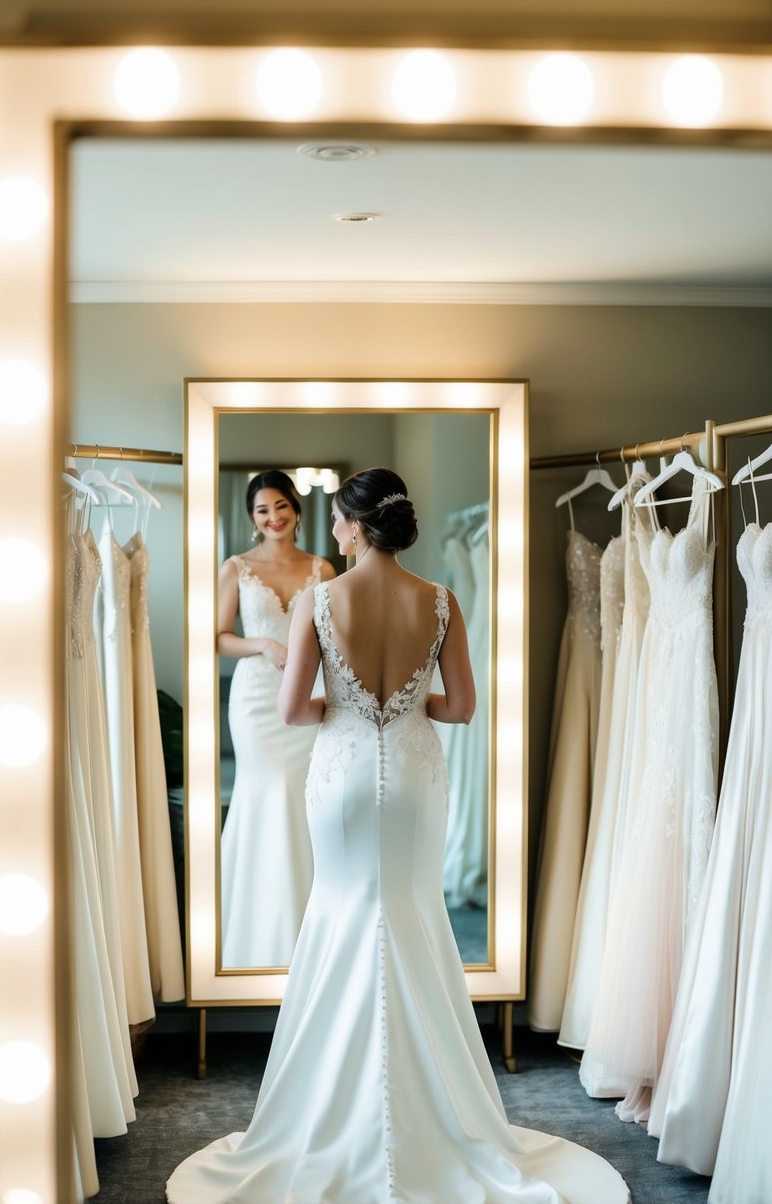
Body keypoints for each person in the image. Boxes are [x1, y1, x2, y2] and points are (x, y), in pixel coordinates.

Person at [170, 468, 629, 1204]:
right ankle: (433, 1110)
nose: (332, 532)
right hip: (415, 780)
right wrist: (401, 708)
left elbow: (292, 714)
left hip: (343, 781)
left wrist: (353, 711)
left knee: (341, 914)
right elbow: (460, 710)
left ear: (354, 526)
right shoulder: (440, 600)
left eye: (337, 522)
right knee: (413, 917)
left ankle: (331, 1106)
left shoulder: (320, 600)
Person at [217, 469, 335, 968]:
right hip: (257, 699)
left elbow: (334, 637)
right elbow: (218, 637)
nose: (273, 518)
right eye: (263, 510)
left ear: (296, 508)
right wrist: (263, 643)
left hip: (309, 693)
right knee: (264, 793)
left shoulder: (323, 569)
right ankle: (255, 931)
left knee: (305, 795)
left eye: (281, 507)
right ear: (251, 518)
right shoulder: (236, 567)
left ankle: (310, 929)